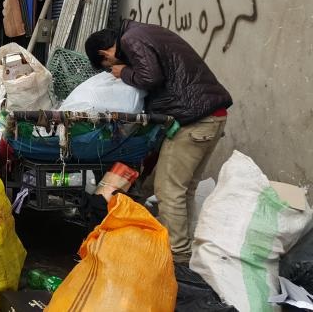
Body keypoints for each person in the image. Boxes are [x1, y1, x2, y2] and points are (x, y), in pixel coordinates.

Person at [85, 19, 232, 264]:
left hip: (195, 120)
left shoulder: (131, 39)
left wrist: (124, 73)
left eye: (108, 65)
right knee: (183, 189)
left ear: (105, 54)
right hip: (211, 117)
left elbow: (150, 77)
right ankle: (184, 253)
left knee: (169, 190)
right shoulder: (142, 32)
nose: (114, 67)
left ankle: (177, 258)